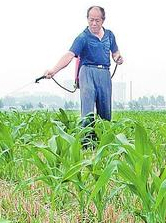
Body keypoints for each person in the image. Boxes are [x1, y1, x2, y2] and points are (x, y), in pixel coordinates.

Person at [44, 6, 123, 139]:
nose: (94, 23)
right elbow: (69, 55)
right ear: (87, 19)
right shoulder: (83, 37)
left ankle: (104, 140)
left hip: (104, 72)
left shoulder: (110, 35)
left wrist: (118, 58)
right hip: (87, 72)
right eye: (91, 20)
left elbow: (115, 52)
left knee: (105, 109)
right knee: (88, 109)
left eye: (97, 20)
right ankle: (87, 141)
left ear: (103, 20)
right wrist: (53, 70)